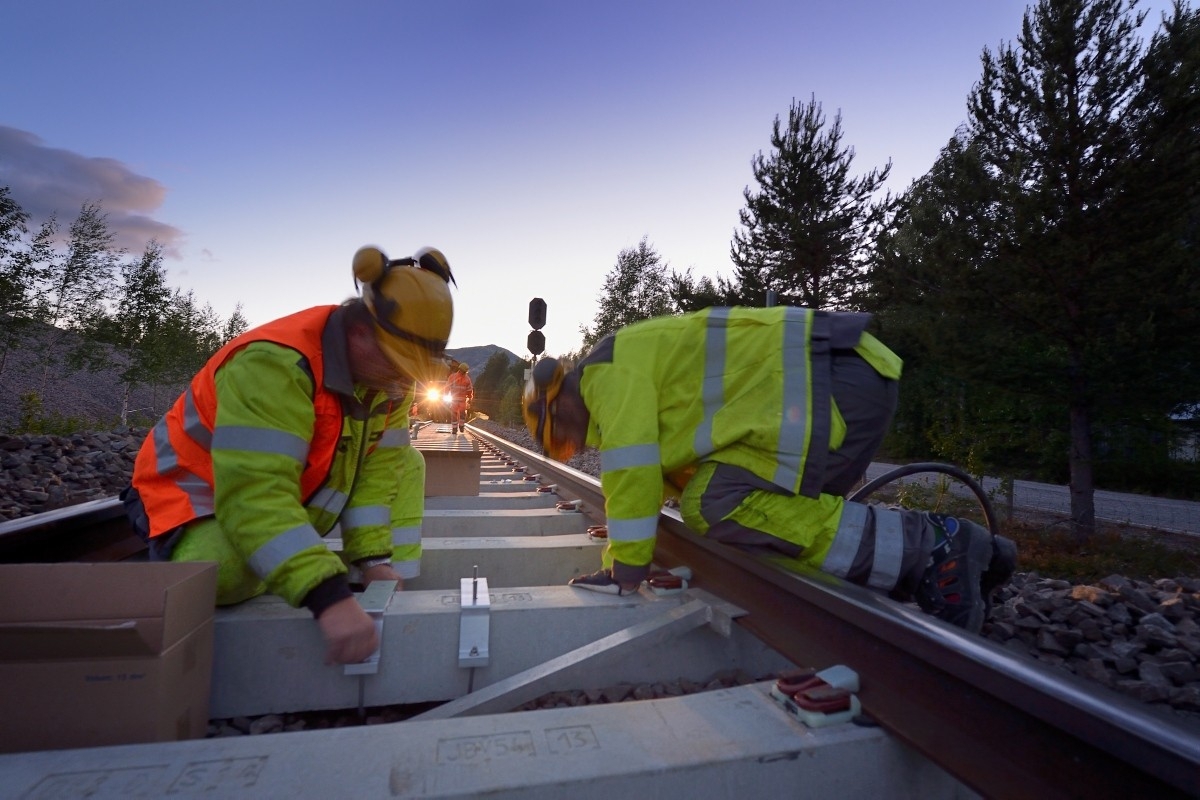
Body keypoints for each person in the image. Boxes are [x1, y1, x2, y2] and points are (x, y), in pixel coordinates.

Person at [522, 306, 1016, 633]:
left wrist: (624, 570)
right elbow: (653, 476)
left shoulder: (605, 375)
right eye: (563, 448)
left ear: (558, 399)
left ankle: (935, 550)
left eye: (562, 434)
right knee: (763, 509)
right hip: (838, 378)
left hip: (832, 382)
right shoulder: (622, 366)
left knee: (715, 503)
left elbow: (632, 471)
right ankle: (969, 553)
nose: (575, 445)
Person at [121, 245, 455, 664]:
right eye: (398, 363)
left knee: (407, 463)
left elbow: (378, 475)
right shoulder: (275, 364)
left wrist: (373, 560)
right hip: (194, 499)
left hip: (283, 496)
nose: (404, 381)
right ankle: (294, 568)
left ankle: (359, 583)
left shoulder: (387, 384)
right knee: (220, 572)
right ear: (360, 331)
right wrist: (326, 595)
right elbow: (254, 493)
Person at [446, 361, 474, 434]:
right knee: (456, 414)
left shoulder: (464, 379)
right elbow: (447, 386)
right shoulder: (455, 377)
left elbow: (470, 390)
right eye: (463, 371)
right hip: (456, 400)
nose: (464, 372)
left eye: (465, 371)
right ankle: (455, 428)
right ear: (460, 370)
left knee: (461, 414)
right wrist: (470, 397)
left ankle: (460, 426)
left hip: (460, 400)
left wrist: (470, 397)